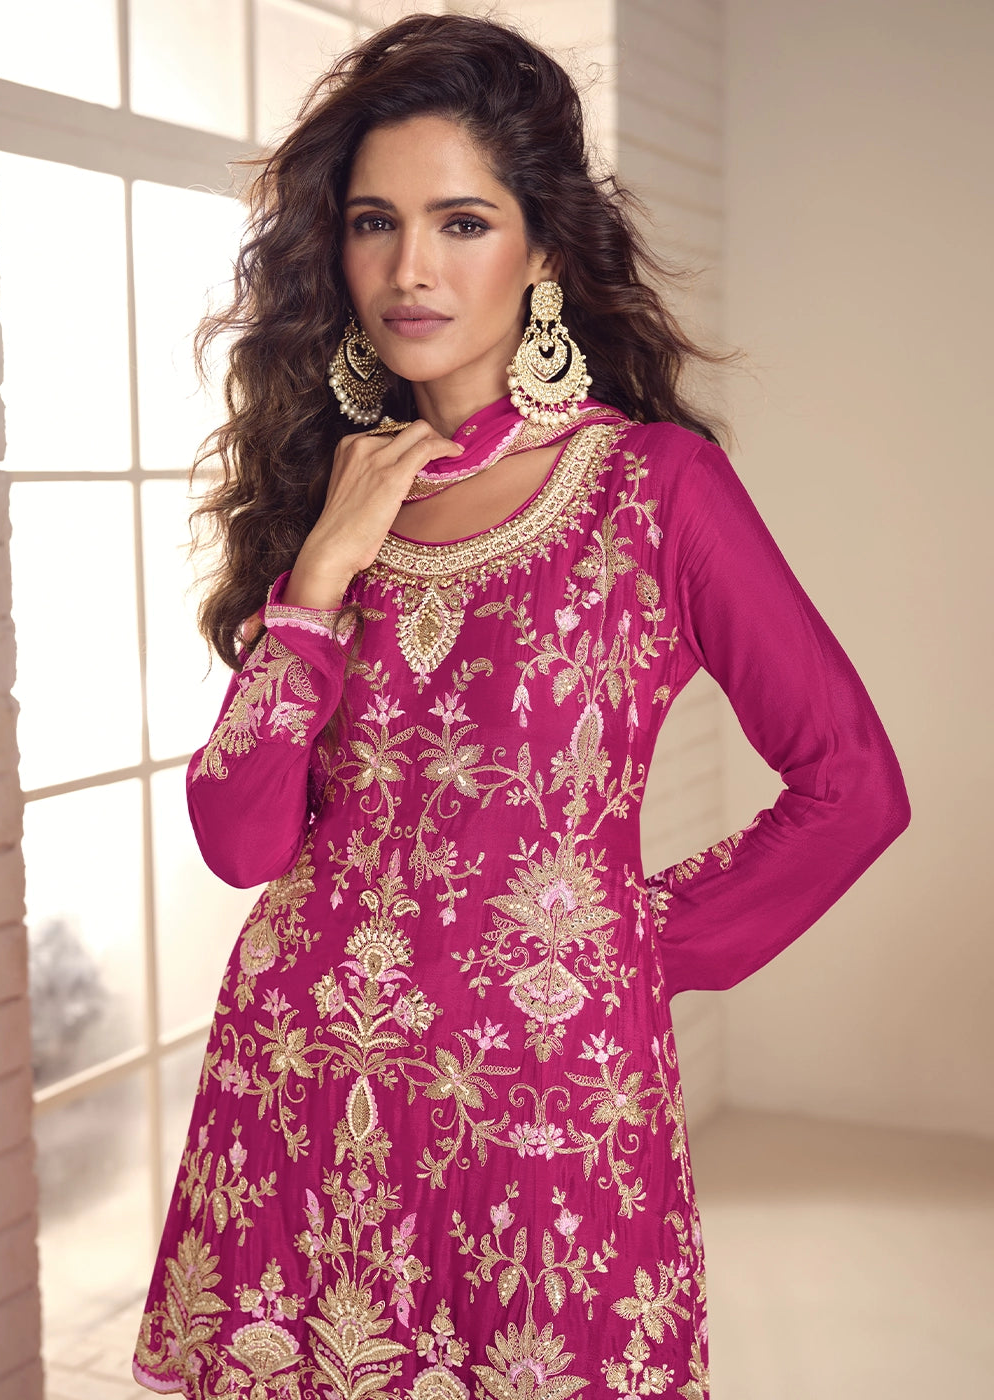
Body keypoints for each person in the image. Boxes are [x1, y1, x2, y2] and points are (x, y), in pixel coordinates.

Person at [132, 13, 910, 1399]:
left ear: (543, 249)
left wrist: (631, 951)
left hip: (542, 1113)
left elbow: (853, 784)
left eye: (462, 222)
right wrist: (318, 579)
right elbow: (243, 843)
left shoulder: (655, 490)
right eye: (374, 222)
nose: (411, 269)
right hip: (300, 1089)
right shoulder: (329, 496)